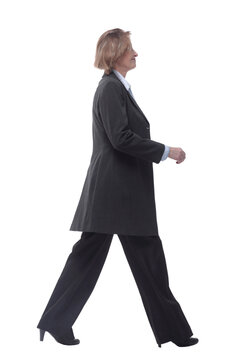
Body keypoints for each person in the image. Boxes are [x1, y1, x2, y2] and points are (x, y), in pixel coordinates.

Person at [36, 28, 198, 348]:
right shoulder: (110, 89)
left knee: (109, 260)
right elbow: (120, 138)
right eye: (130, 49)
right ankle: (175, 333)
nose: (136, 53)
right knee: (133, 260)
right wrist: (166, 151)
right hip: (117, 196)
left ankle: (55, 322)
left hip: (119, 195)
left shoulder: (117, 88)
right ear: (115, 54)